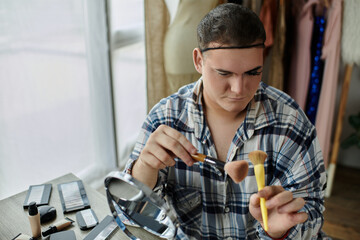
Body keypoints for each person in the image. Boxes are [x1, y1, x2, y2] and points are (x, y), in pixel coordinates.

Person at [125, 3, 327, 239]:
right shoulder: (164, 118)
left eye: (253, 72)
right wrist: (144, 171)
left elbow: (313, 210)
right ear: (198, 61)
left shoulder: (289, 123)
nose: (239, 89)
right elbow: (132, 217)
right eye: (224, 73)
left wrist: (280, 233)